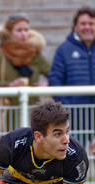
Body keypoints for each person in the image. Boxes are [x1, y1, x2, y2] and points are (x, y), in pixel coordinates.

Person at [0, 12, 49, 127]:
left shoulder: (35, 54)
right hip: (8, 112)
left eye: (26, 30)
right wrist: (9, 86)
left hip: (33, 113)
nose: (24, 34)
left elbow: (52, 73)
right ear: (9, 33)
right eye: (19, 30)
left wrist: (47, 85)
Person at [48, 6, 95, 146]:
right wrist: (67, 108)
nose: (87, 27)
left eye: (91, 23)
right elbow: (55, 80)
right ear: (75, 27)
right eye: (83, 24)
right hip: (74, 120)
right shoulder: (64, 50)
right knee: (74, 163)